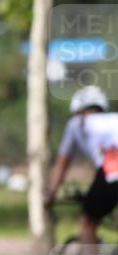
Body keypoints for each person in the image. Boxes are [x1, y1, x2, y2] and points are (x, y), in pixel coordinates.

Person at [45, 85, 118, 245]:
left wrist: (51, 193)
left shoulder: (76, 124)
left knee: (88, 222)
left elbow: (63, 163)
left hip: (112, 172)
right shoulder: (115, 118)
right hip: (109, 172)